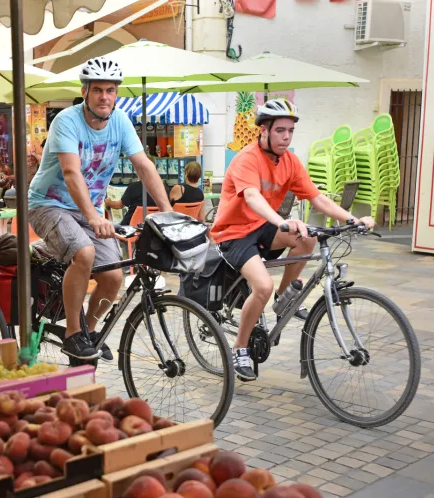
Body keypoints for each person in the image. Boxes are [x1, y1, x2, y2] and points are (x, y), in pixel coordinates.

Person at [211, 99, 375, 382]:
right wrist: (281, 221)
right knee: (262, 285)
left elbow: (317, 197)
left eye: (290, 131)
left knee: (307, 239)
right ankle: (240, 349)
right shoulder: (247, 159)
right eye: (280, 131)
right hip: (234, 232)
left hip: (263, 226)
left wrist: (352, 219)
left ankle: (283, 299)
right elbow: (252, 196)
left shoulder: (290, 161)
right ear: (264, 130)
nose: (286, 137)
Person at [28, 56, 172, 361]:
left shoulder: (120, 121)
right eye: (97, 90)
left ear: (116, 94)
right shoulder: (66, 121)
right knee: (85, 254)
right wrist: (94, 216)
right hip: (48, 204)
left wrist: (167, 209)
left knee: (114, 276)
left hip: (87, 212)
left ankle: (89, 331)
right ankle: (72, 335)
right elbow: (71, 173)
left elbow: (143, 165)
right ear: (85, 92)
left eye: (110, 90)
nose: (104, 96)